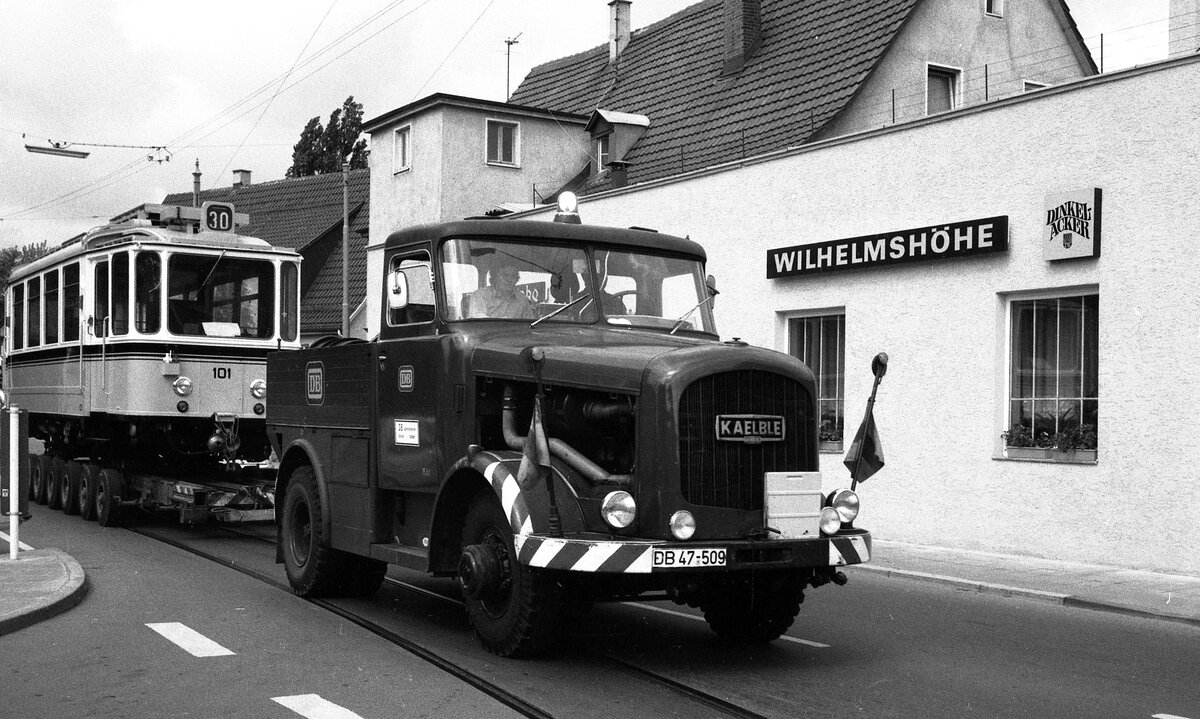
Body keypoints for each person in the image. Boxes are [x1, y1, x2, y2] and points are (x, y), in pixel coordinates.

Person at [466, 264, 535, 319]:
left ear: (517, 280)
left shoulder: (522, 299)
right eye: (505, 275)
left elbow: (529, 322)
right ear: (494, 278)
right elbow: (479, 322)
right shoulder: (480, 295)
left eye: (513, 276)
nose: (509, 280)